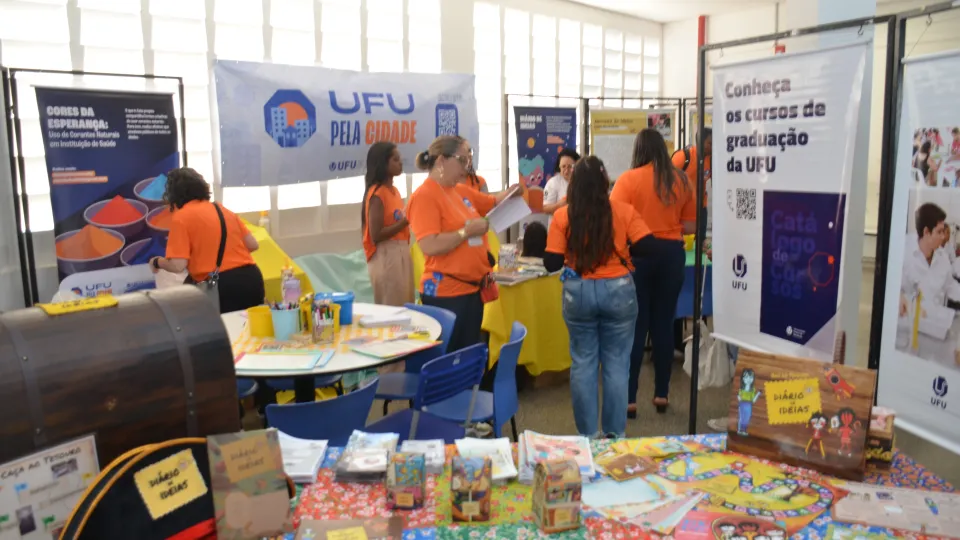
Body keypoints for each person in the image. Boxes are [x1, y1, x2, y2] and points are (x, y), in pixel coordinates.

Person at [544, 155, 653, 438]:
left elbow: (552, 263)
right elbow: (649, 247)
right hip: (618, 290)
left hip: (577, 291)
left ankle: (588, 437)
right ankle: (615, 436)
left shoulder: (562, 216)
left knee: (583, 363)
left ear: (574, 185)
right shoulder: (624, 211)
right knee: (617, 364)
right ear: (606, 182)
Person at [611, 128, 697, 416]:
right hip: (672, 256)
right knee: (663, 325)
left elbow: (615, 223)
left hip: (638, 255)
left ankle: (630, 400)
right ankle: (662, 394)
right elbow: (691, 226)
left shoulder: (627, 180)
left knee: (635, 328)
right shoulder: (681, 180)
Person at [407, 136, 518, 352]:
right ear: (441, 161)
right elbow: (429, 245)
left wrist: (513, 192)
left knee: (467, 355)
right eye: (462, 160)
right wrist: (465, 232)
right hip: (447, 293)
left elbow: (492, 202)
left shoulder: (459, 190)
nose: (467, 168)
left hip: (471, 290)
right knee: (450, 358)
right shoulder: (424, 196)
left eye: (469, 161)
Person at [150, 167, 264, 314]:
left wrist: (157, 262)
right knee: (252, 333)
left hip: (223, 288)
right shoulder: (221, 209)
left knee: (226, 334)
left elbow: (178, 265)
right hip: (251, 279)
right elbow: (253, 245)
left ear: (173, 195)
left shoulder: (181, 217)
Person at [362, 141, 414, 307]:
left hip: (401, 251)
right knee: (392, 308)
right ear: (383, 163)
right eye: (395, 159)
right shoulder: (377, 194)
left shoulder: (395, 191)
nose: (400, 163)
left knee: (407, 305)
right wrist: (406, 221)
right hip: (386, 256)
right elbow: (375, 235)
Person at [542, 148, 581, 216]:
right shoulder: (552, 183)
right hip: (559, 225)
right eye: (563, 166)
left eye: (570, 167)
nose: (566, 171)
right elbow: (544, 208)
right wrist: (559, 205)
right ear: (559, 167)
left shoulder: (583, 181)